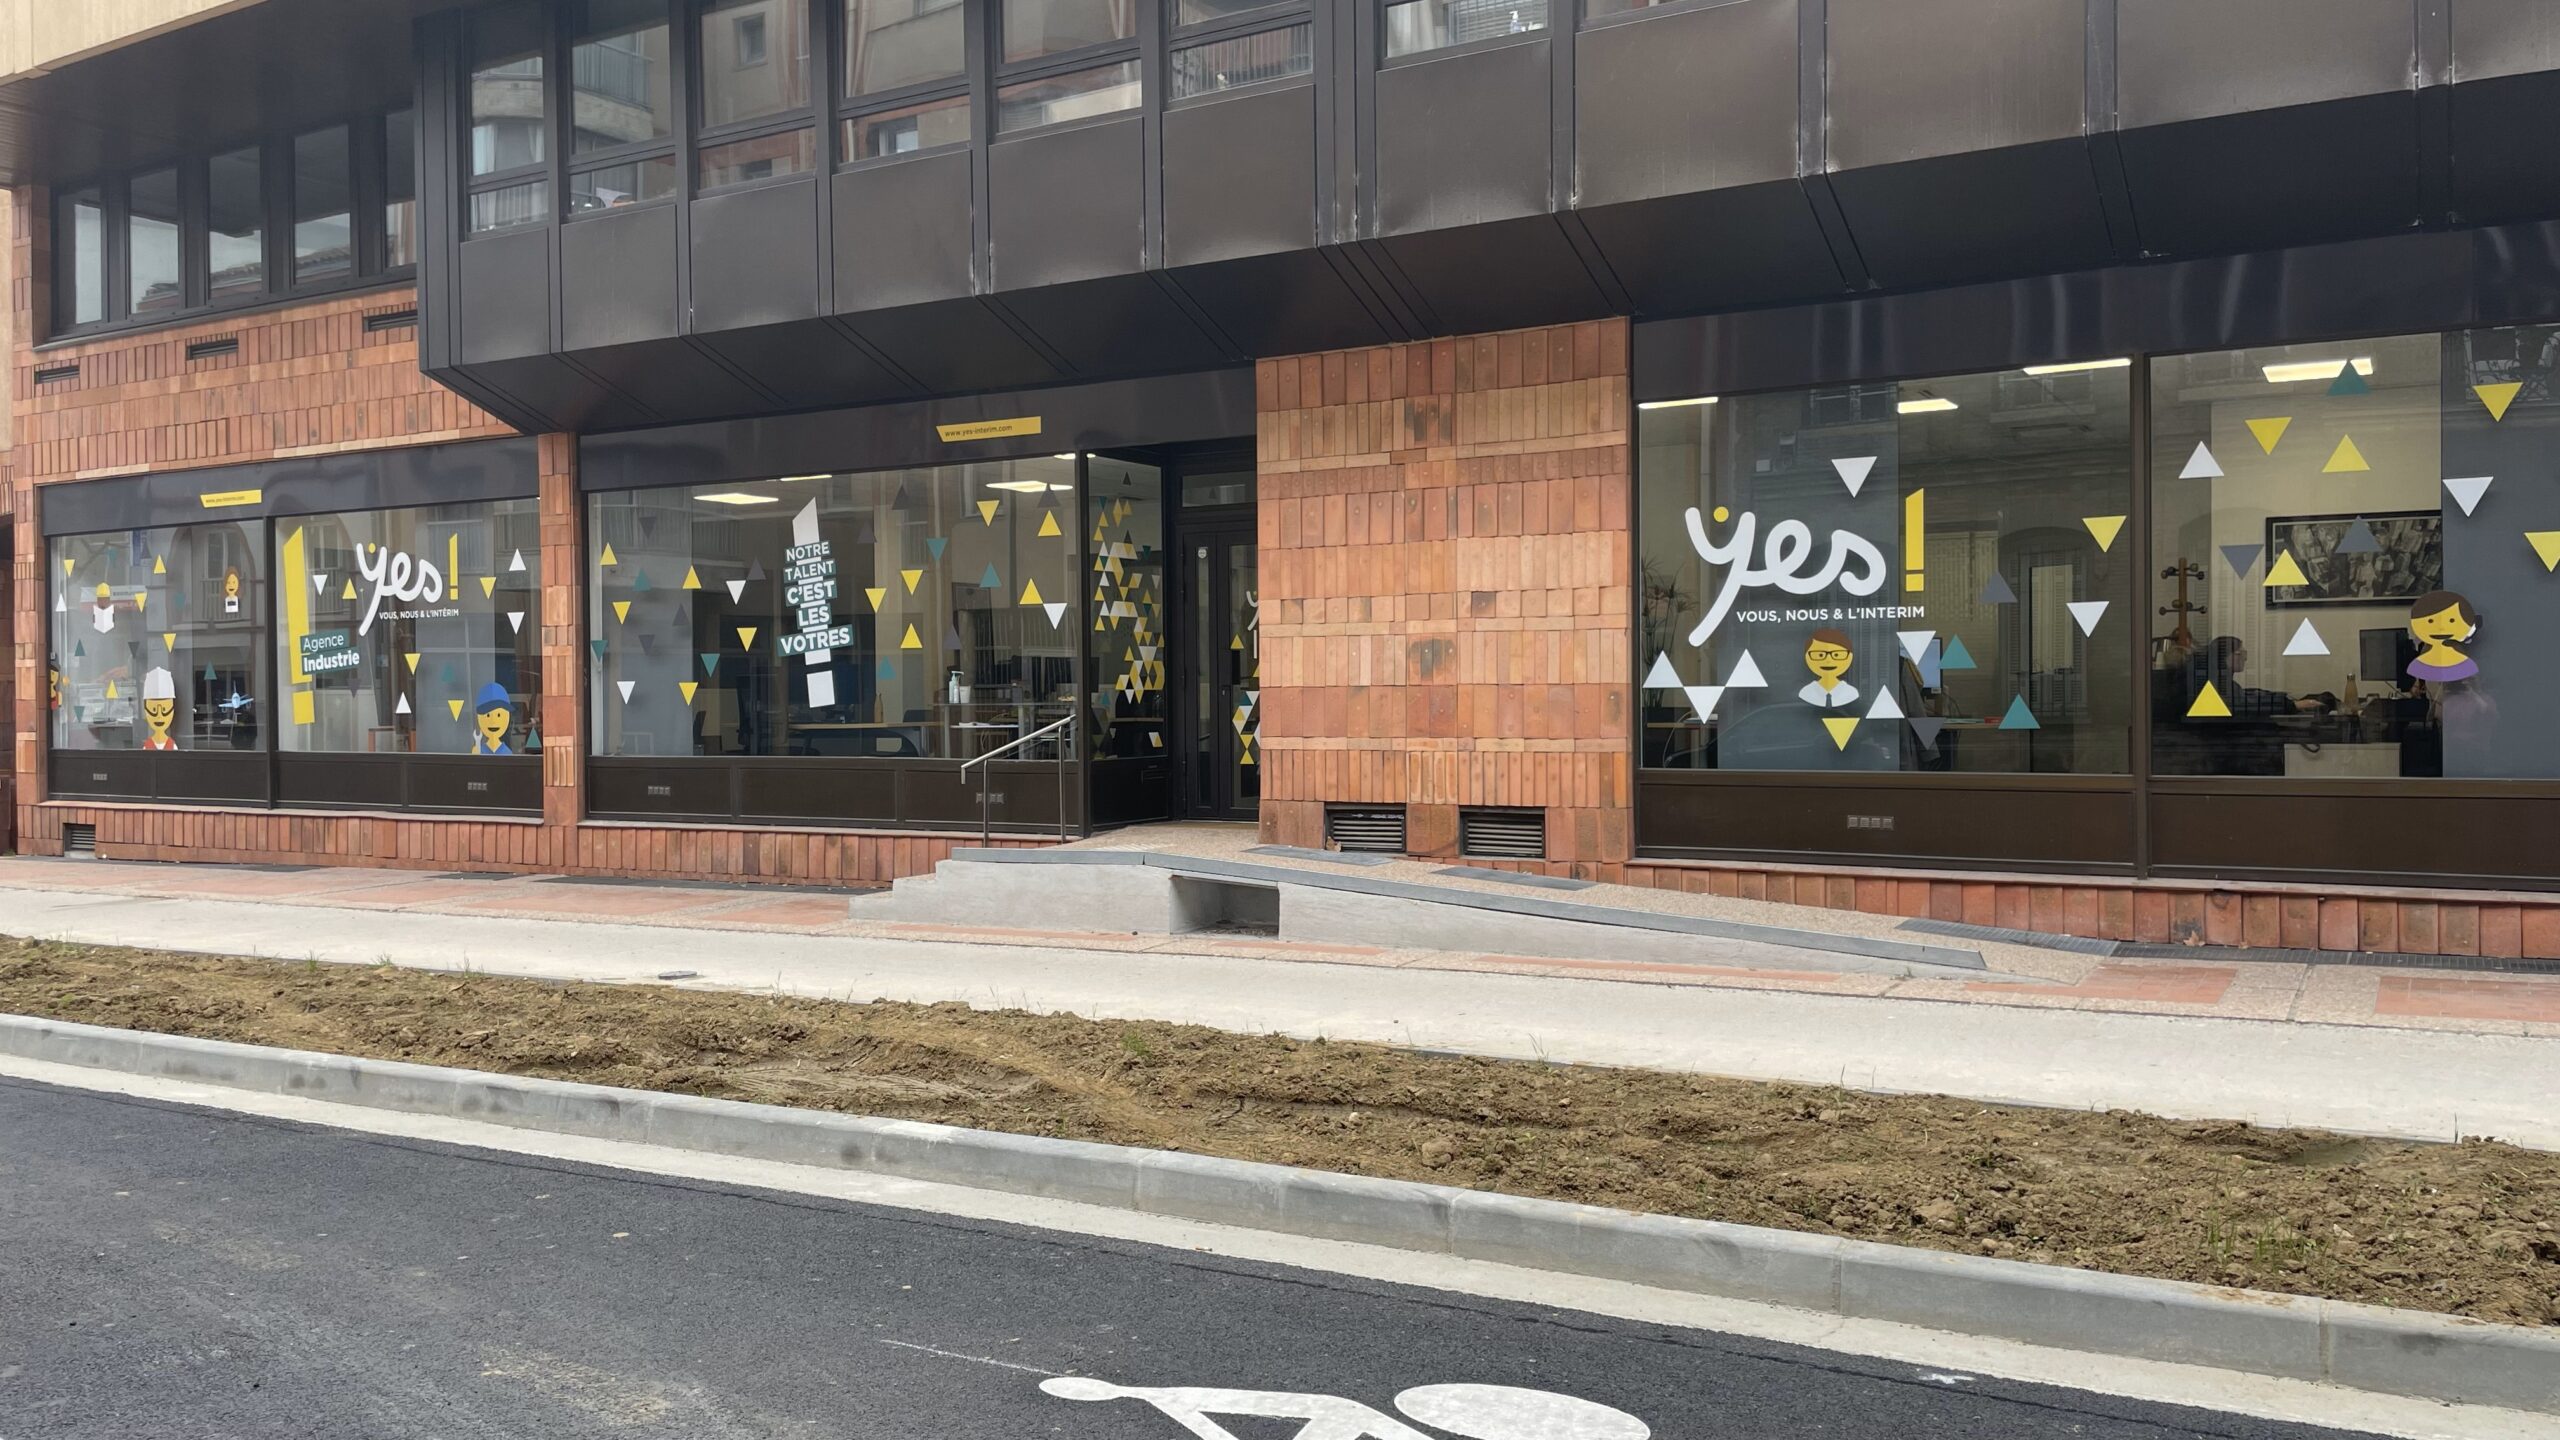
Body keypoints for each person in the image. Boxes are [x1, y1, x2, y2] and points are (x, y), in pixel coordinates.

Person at [2405, 590, 2480, 683]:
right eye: (2430, 621)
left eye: (2452, 620)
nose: (2441, 628)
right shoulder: (2423, 656)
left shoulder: (2462, 659)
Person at [1796, 627, 1860, 709]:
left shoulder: (1852, 693)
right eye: (1820, 655)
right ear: (1806, 657)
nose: (1828, 660)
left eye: (1836, 655)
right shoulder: (1805, 693)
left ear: (1850, 656)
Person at [139, 667, 179, 751]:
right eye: (154, 710)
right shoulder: (147, 745)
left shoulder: (172, 745)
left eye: (164, 710)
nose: (159, 716)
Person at [471, 681, 515, 756]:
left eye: (498, 715)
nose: (493, 721)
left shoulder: (507, 752)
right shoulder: (479, 750)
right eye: (488, 715)